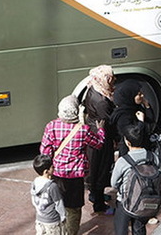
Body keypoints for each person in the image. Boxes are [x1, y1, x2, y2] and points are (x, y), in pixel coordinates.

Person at [40, 95, 105, 235]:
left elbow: (45, 152)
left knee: (57, 205)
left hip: (56, 174)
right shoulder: (83, 130)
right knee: (73, 209)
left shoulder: (51, 126)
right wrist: (101, 130)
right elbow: (98, 144)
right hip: (75, 177)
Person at [111, 123, 161, 235]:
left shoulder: (123, 161)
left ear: (127, 142)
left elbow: (113, 183)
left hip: (125, 202)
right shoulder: (153, 157)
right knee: (139, 229)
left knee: (121, 230)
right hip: (145, 201)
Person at [83, 64, 117, 214]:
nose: (113, 80)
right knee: (101, 170)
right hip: (101, 138)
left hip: (93, 131)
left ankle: (94, 195)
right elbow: (108, 121)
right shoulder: (102, 101)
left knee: (94, 169)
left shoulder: (92, 89)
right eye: (110, 78)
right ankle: (99, 204)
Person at [111, 79, 155, 157]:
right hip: (131, 153)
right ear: (130, 96)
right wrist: (141, 122)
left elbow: (151, 122)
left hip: (142, 147)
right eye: (139, 94)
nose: (142, 95)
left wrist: (147, 105)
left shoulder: (135, 107)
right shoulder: (123, 116)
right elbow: (134, 135)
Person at [31, 154, 66, 235]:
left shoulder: (34, 182)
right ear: (46, 171)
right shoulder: (52, 186)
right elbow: (59, 203)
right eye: (52, 167)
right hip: (52, 221)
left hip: (40, 218)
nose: (54, 168)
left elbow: (33, 199)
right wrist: (63, 216)